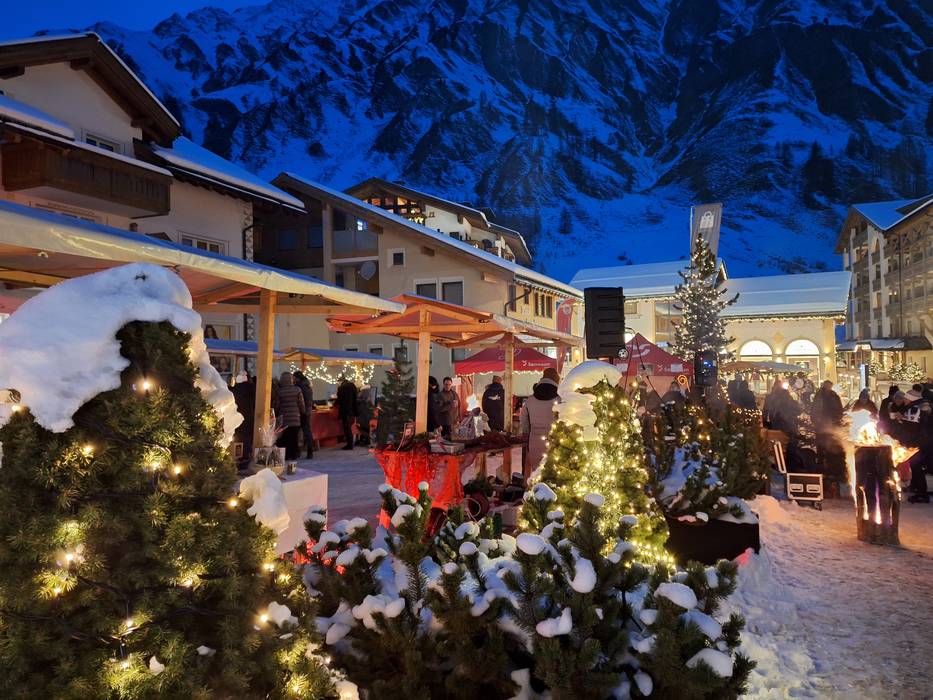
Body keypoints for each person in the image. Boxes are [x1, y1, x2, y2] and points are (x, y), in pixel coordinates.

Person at [520, 370, 560, 473]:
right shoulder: (560, 399)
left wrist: (526, 432)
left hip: (535, 440)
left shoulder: (530, 400)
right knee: (554, 472)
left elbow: (524, 420)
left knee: (537, 472)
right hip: (556, 440)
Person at [811, 380, 845, 480]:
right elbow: (815, 410)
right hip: (821, 426)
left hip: (831, 425)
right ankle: (821, 469)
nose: (828, 387)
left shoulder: (834, 396)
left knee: (830, 448)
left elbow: (839, 409)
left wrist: (836, 419)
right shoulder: (819, 396)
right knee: (821, 448)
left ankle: (830, 470)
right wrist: (816, 421)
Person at [274, 372, 305, 461]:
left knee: (285, 437)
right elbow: (301, 404)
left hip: (284, 418)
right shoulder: (297, 390)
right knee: (294, 437)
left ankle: (286, 455)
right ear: (291, 380)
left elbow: (277, 405)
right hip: (295, 417)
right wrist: (302, 412)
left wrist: (276, 413)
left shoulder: (279, 391)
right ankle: (294, 454)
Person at [231, 371, 256, 467]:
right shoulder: (252, 389)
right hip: (249, 416)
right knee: (247, 437)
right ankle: (246, 457)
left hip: (237, 416)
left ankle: (238, 457)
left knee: (238, 437)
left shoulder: (234, 390)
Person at [293, 371, 314, 459]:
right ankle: (310, 450)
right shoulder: (307, 385)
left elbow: (301, 401)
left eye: (294, 378)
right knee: (307, 431)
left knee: (299, 431)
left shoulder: (300, 387)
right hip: (308, 410)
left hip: (302, 411)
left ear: (298, 378)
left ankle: (298, 452)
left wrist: (302, 410)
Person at [336, 375, 359, 450]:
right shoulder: (353, 386)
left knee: (347, 428)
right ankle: (350, 443)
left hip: (345, 411)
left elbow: (340, 400)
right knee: (350, 427)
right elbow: (356, 398)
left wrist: (335, 403)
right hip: (352, 411)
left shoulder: (341, 388)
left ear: (340, 381)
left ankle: (349, 444)